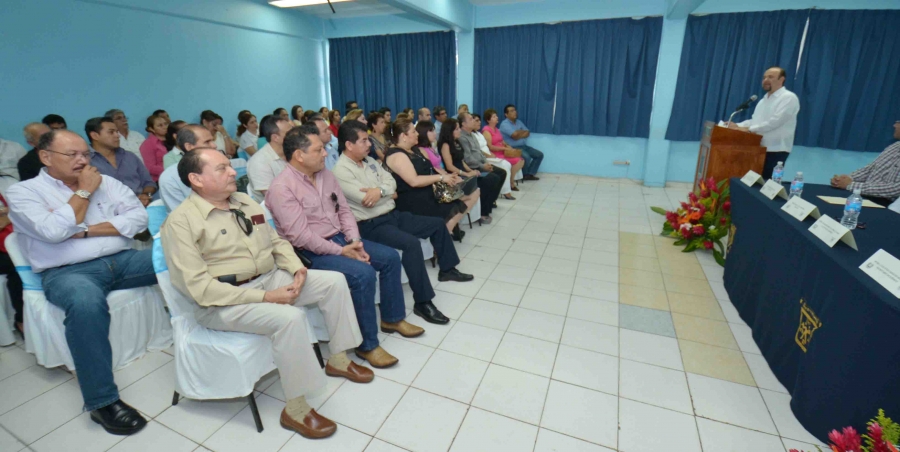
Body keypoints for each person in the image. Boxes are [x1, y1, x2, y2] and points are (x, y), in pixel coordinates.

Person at [162, 148, 369, 440]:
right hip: (224, 300)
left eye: (229, 166)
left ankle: (339, 358)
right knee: (290, 318)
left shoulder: (244, 201)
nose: (233, 171)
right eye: (222, 169)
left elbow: (277, 242)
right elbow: (199, 288)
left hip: (269, 277)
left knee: (334, 282)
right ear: (196, 179)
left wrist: (297, 269)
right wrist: (267, 298)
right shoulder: (181, 223)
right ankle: (296, 409)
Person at [7, 129, 156, 435]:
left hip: (122, 260)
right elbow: (53, 231)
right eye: (72, 154)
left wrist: (86, 230)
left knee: (178, 259)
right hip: (68, 272)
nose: (82, 160)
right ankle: (102, 403)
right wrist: (85, 192)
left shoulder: (107, 181)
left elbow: (139, 219)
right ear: (45, 157)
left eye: (85, 154)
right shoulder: (23, 193)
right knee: (86, 304)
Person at [266, 126, 423, 368]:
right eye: (318, 150)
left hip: (341, 239)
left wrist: (353, 241)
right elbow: (301, 237)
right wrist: (341, 251)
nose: (326, 154)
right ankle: (367, 345)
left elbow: (345, 211)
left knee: (390, 257)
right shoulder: (281, 188)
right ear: (299, 155)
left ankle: (392, 318)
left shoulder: (326, 175)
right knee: (363, 274)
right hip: (309, 252)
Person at [333, 121, 473, 324]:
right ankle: (423, 302)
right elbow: (366, 200)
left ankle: (447, 269)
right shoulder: (341, 171)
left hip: (392, 214)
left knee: (436, 224)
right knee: (411, 244)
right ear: (349, 144)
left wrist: (379, 190)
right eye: (364, 141)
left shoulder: (370, 161)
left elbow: (391, 183)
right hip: (371, 224)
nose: (369, 144)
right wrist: (384, 192)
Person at [384, 118, 477, 241]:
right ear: (403, 136)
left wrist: (449, 176)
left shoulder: (414, 150)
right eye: (413, 131)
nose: (417, 133)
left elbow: (430, 168)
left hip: (425, 192)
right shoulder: (397, 155)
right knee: (453, 206)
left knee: (461, 200)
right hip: (411, 199)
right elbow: (414, 181)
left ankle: (444, 233)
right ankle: (444, 234)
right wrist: (441, 177)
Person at [728, 66, 800, 180]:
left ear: (781, 80)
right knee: (754, 184)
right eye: (764, 77)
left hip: (776, 149)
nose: (766, 80)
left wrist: (748, 129)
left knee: (768, 185)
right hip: (758, 147)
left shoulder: (788, 98)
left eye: (770, 77)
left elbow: (775, 122)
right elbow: (755, 120)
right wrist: (738, 125)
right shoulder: (763, 100)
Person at [444, 115, 504, 224]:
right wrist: (473, 170)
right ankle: (483, 211)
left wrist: (485, 163)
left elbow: (478, 153)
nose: (474, 121)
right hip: (467, 168)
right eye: (471, 119)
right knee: (491, 179)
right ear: (463, 124)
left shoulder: (471, 135)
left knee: (501, 173)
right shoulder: (457, 140)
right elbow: (466, 159)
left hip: (473, 167)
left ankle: (490, 202)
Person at [85, 117, 156, 206]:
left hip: (140, 205)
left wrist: (145, 195)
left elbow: (149, 183)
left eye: (117, 131)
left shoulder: (129, 156)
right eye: (111, 132)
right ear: (95, 136)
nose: (117, 135)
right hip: (107, 211)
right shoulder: (85, 161)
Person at [831, 121, 900, 205]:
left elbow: (895, 189)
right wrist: (846, 179)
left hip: (886, 204)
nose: (894, 125)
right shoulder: (896, 146)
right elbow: (870, 168)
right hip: (866, 194)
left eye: (899, 123)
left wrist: (851, 185)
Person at [159, 124, 215, 211]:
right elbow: (182, 215)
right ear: (189, 147)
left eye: (213, 141)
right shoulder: (170, 177)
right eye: (207, 142)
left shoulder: (220, 167)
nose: (214, 146)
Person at [247, 114, 292, 201]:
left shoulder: (294, 152)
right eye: (290, 133)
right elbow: (275, 199)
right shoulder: (258, 162)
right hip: (274, 210)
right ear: (275, 138)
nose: (296, 135)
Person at [482, 109, 523, 195]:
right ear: (488, 120)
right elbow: (490, 147)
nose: (497, 117)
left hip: (503, 151)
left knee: (521, 160)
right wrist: (504, 149)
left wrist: (508, 146)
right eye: (494, 116)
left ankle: (511, 181)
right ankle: (510, 184)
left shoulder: (496, 129)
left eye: (496, 116)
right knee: (513, 162)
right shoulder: (486, 130)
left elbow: (502, 141)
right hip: (495, 154)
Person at [0, 192, 24, 337]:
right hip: (6, 251)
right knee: (18, 266)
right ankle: (21, 320)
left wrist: (6, 214)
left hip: (10, 244)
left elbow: (17, 210)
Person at [500, 104, 544, 181]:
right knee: (526, 157)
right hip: (513, 147)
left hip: (524, 146)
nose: (515, 112)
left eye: (515, 110)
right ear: (506, 114)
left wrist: (518, 133)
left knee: (539, 155)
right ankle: (524, 175)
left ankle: (530, 174)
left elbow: (527, 133)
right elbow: (514, 136)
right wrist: (520, 133)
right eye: (512, 111)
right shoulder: (504, 124)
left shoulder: (519, 122)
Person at [139, 113, 169, 181]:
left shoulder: (172, 140)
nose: (165, 127)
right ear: (151, 129)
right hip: (160, 179)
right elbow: (150, 167)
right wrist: (170, 170)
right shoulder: (148, 144)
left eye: (165, 124)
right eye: (160, 125)